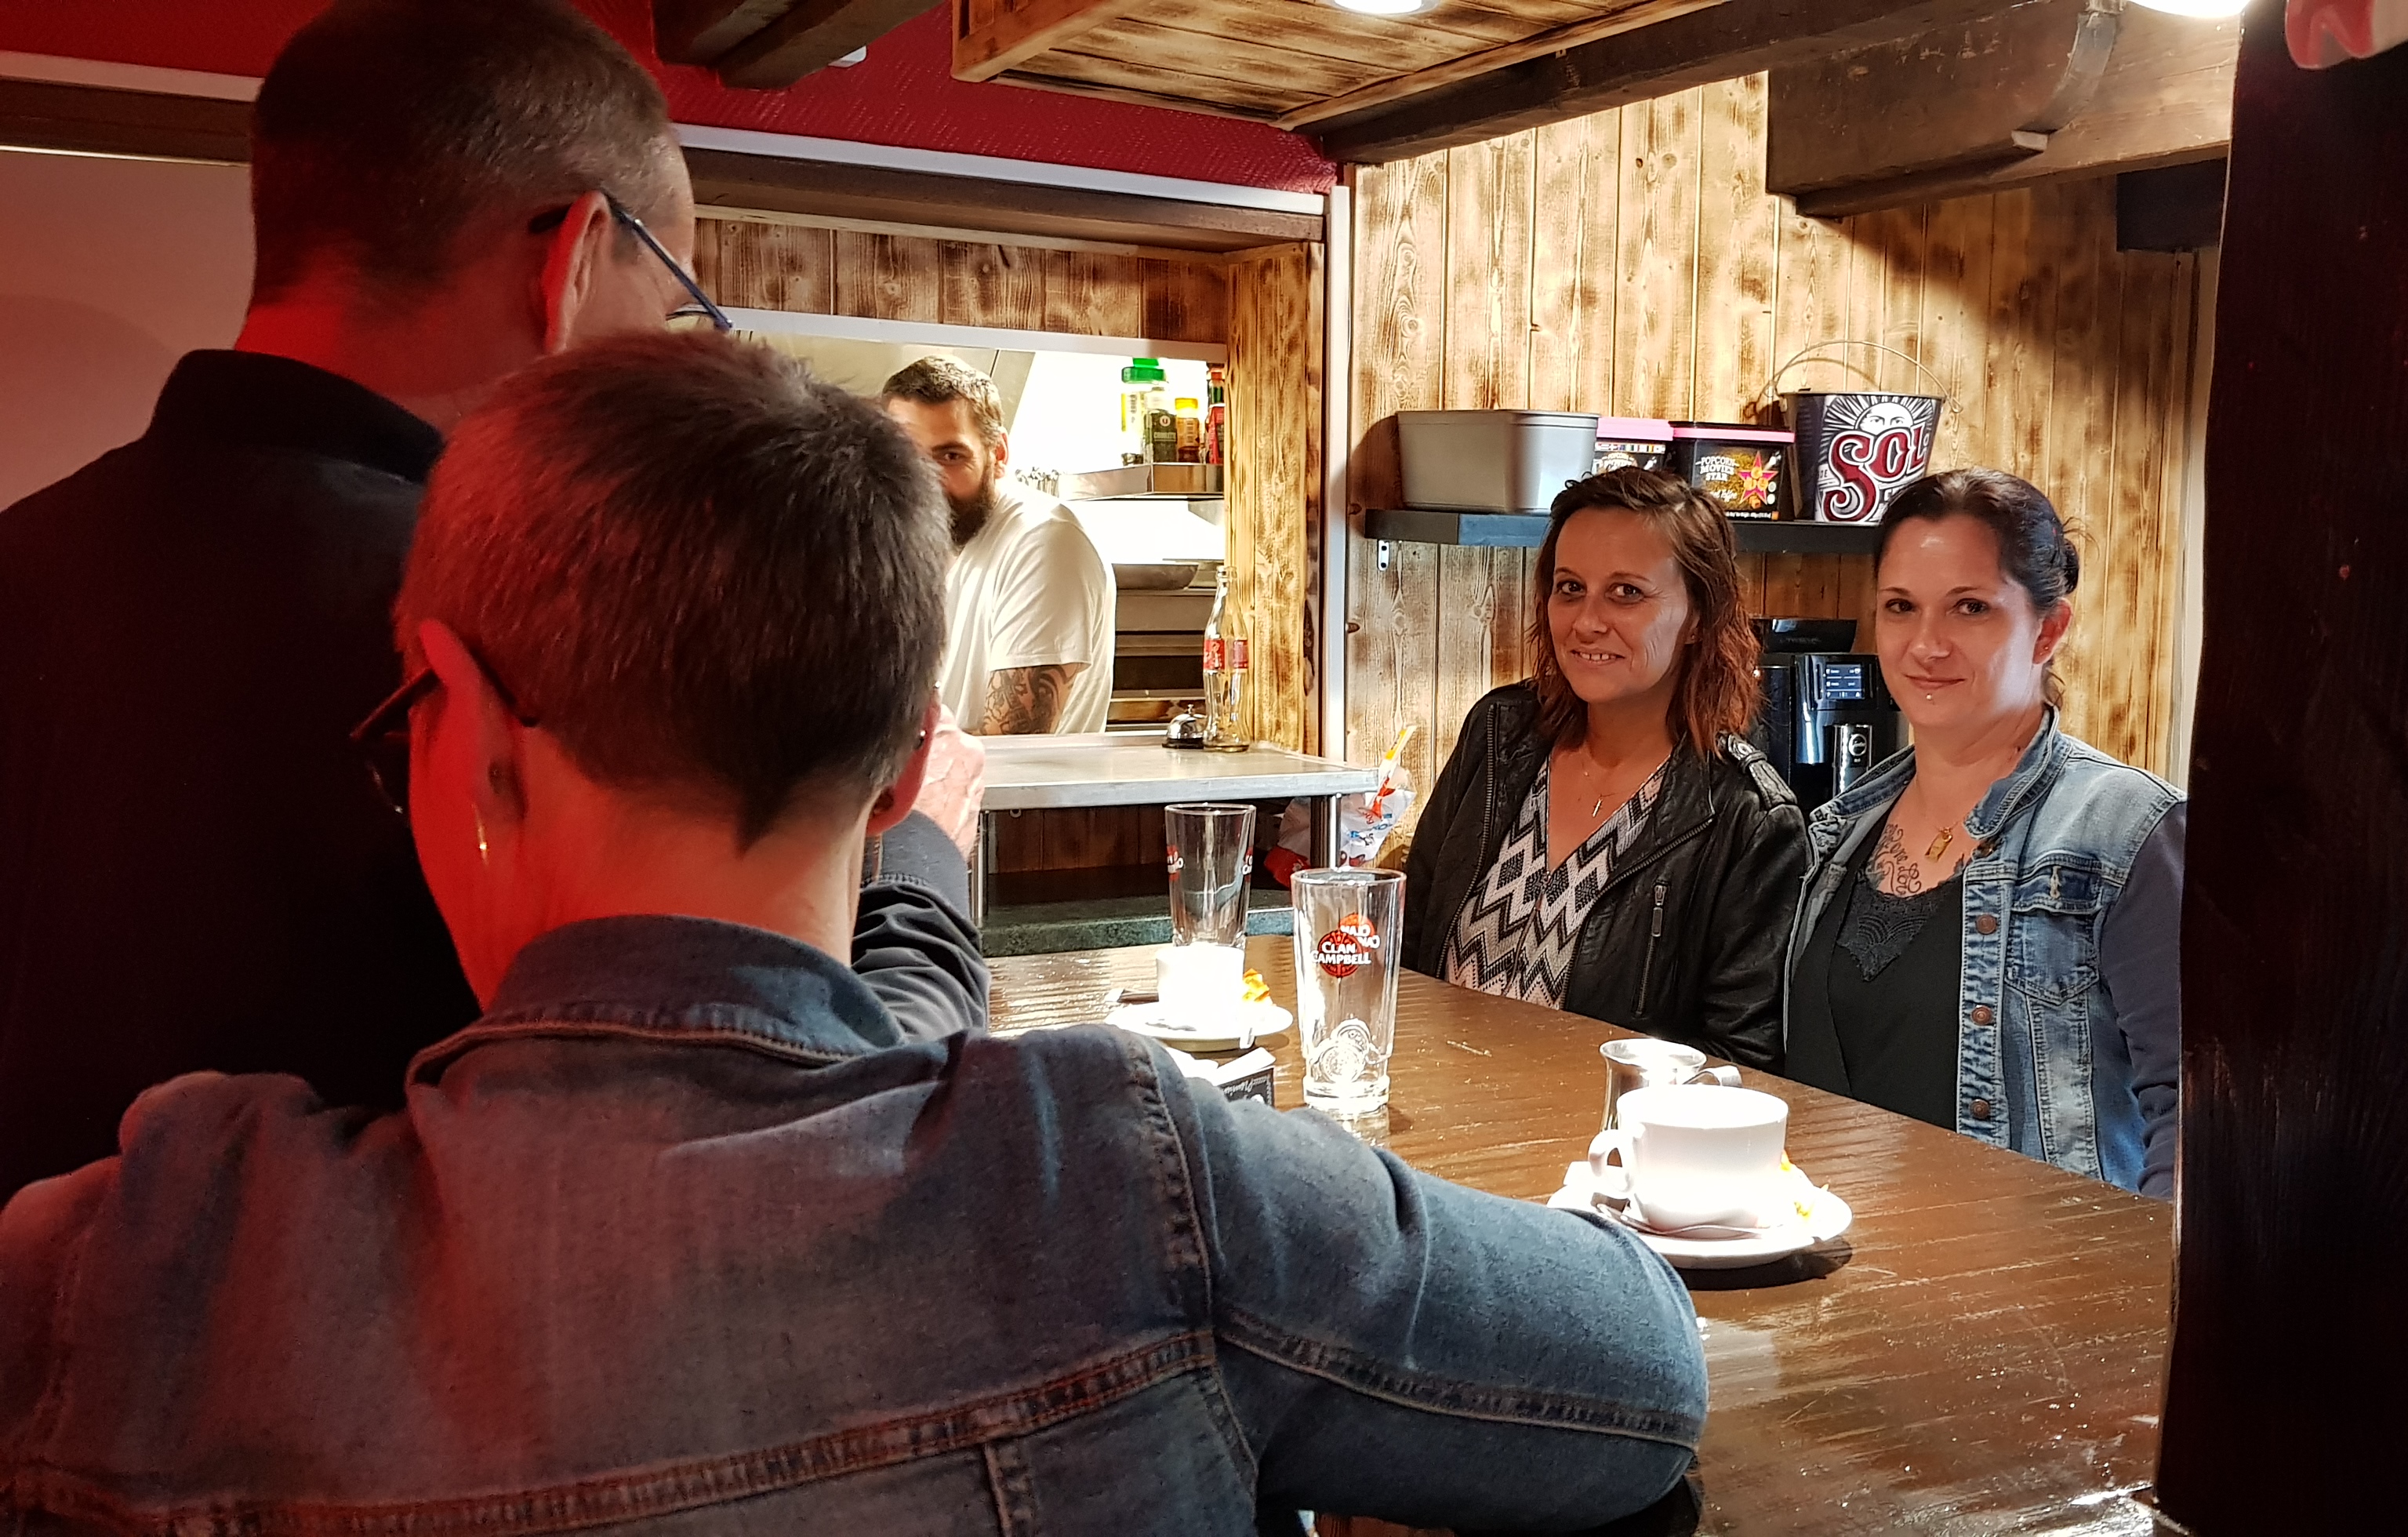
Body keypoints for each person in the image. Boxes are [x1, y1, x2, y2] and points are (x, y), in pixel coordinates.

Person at [0, 332, 1707, 1532]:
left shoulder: (136, 1272)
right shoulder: (1131, 1177)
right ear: (904, 768)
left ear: (461, 726)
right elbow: (1640, 1370)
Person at [0, 0, 986, 1201]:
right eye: (675, 302)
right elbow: (765, 1119)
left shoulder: (23, 551)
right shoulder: (544, 615)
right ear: (573, 256)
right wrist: (919, 863)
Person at [1779, 469, 2185, 1198]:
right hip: (1831, 1256)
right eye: (1901, 607)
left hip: (2036, 1265)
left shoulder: (2129, 830)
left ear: (2048, 630)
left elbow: (2194, 1118)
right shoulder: (1837, 832)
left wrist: (2134, 1266)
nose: (1926, 645)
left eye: (1970, 608)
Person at [1403, 469, 1807, 1067]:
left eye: (1627, 593)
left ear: (1699, 615)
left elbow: (1740, 1064)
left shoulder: (1749, 819)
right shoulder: (1499, 733)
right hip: (1434, 1103)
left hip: (1605, 1129)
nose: (1587, 621)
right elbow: (1409, 950)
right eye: (1570, 587)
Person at [881, 355, 1117, 735]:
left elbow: (1012, 742)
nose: (927, 483)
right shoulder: (906, 547)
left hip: (1017, 778)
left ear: (999, 454)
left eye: (951, 456)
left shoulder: (1043, 541)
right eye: (908, 458)